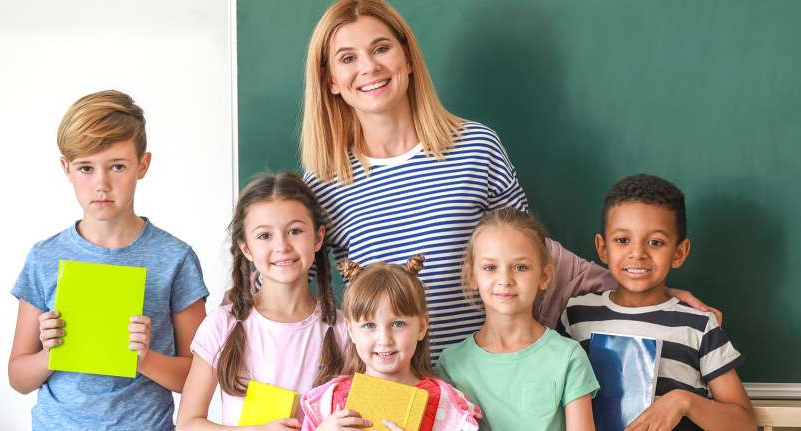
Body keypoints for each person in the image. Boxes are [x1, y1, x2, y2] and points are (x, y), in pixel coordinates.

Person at [298, 0, 720, 360]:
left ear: (407, 58)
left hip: (490, 379)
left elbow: (535, 254)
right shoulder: (325, 178)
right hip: (394, 394)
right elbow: (285, 289)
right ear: (331, 80)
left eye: (381, 48)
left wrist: (643, 292)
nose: (369, 67)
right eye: (348, 58)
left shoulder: (474, 146)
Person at [7, 90, 209, 430]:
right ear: (66, 168)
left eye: (117, 166)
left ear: (142, 165)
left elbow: (196, 376)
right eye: (86, 168)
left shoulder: (176, 259)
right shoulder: (45, 258)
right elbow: (18, 377)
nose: (101, 184)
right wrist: (51, 354)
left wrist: (144, 359)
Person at [558, 174, 756, 431]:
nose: (638, 253)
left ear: (679, 253)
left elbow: (745, 423)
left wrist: (684, 401)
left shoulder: (698, 325)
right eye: (622, 240)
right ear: (603, 247)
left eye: (655, 242)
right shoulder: (576, 316)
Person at [177, 173, 346, 430]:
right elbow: (188, 423)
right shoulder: (223, 324)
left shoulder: (343, 329)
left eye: (295, 231)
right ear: (246, 248)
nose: (282, 246)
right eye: (265, 236)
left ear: (318, 238)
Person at [437, 208, 599, 431]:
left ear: (544, 276)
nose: (505, 279)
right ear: (472, 276)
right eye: (490, 268)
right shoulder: (451, 364)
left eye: (520, 267)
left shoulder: (568, 357)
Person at [300, 255, 481, 431]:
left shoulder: (444, 403)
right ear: (351, 331)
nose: (385, 339)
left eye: (398, 324)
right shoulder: (330, 400)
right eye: (369, 325)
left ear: (421, 327)